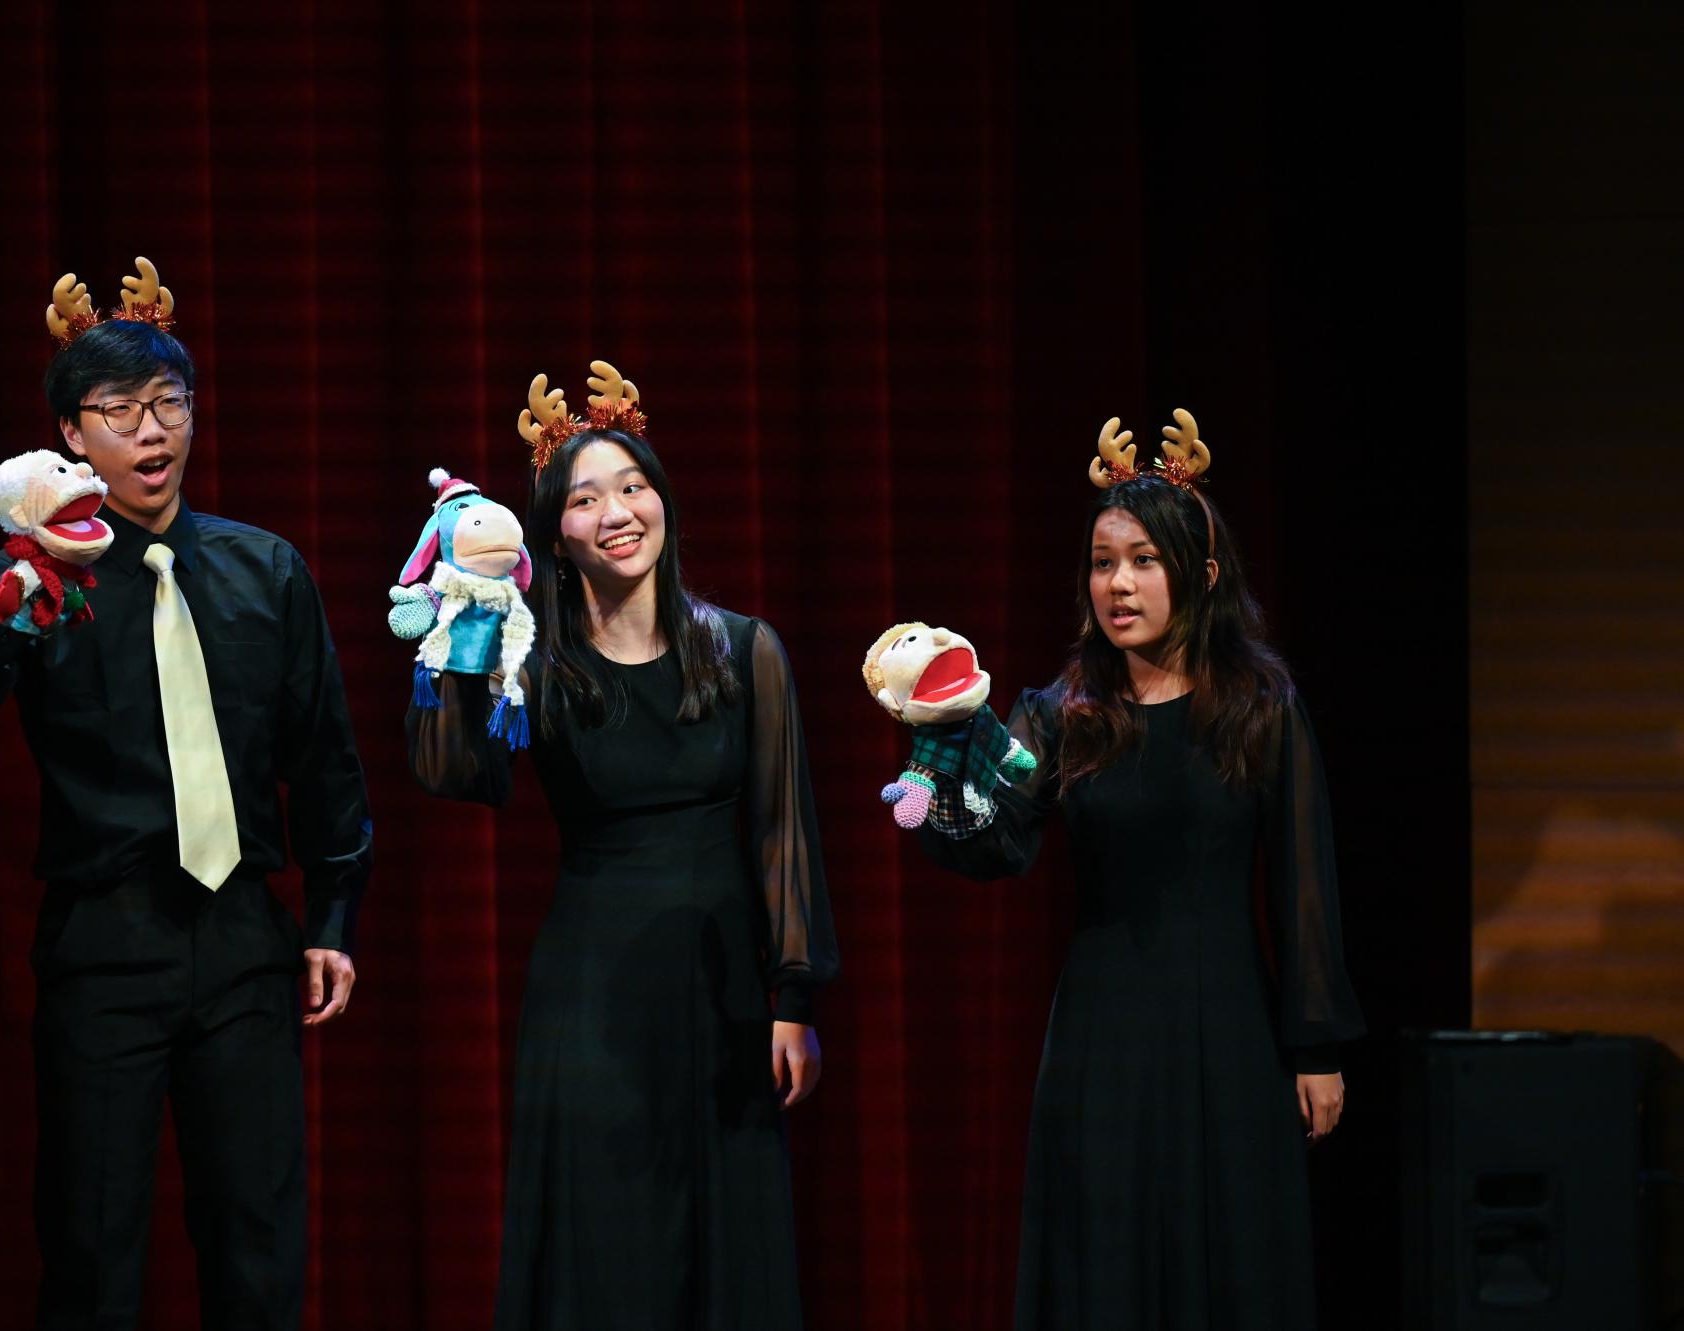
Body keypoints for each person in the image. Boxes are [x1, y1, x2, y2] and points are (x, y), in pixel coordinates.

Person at [0, 265, 371, 1330]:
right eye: (120, 412)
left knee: (258, 1238)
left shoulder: (265, 570)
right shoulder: (36, 572)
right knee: (91, 1243)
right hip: (104, 941)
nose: (152, 432)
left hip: (245, 937)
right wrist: (18, 609)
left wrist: (335, 915)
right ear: (72, 433)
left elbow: (327, 757)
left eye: (170, 405)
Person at [405, 367, 839, 1331]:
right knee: (607, 1248)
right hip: (592, 988)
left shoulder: (743, 649)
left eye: (631, 488)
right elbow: (452, 771)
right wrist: (462, 624)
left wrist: (793, 996)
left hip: (722, 982)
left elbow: (781, 830)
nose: (615, 513)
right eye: (583, 499)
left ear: (664, 503)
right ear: (551, 532)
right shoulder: (536, 662)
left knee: (725, 1245)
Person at [912, 413, 1363, 1330]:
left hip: (1227, 1023)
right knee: (1103, 1258)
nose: (1118, 583)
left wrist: (1313, 1046)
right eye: (1102, 561)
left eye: (1143, 560)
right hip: (1101, 1033)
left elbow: (1302, 882)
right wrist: (943, 759)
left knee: (1229, 1252)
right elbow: (997, 844)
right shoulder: (1061, 712)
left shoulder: (1257, 706)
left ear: (1199, 575)